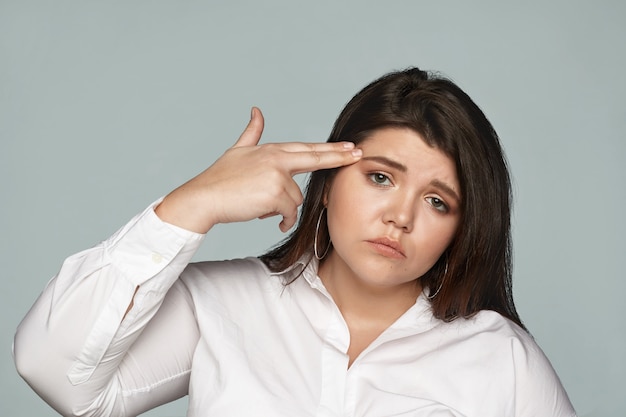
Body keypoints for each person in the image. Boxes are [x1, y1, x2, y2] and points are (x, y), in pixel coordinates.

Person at [14, 68, 577, 417]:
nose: (400, 217)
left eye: (437, 201)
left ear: (462, 227)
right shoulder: (222, 305)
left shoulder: (500, 359)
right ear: (326, 186)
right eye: (380, 177)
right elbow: (60, 376)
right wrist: (192, 204)